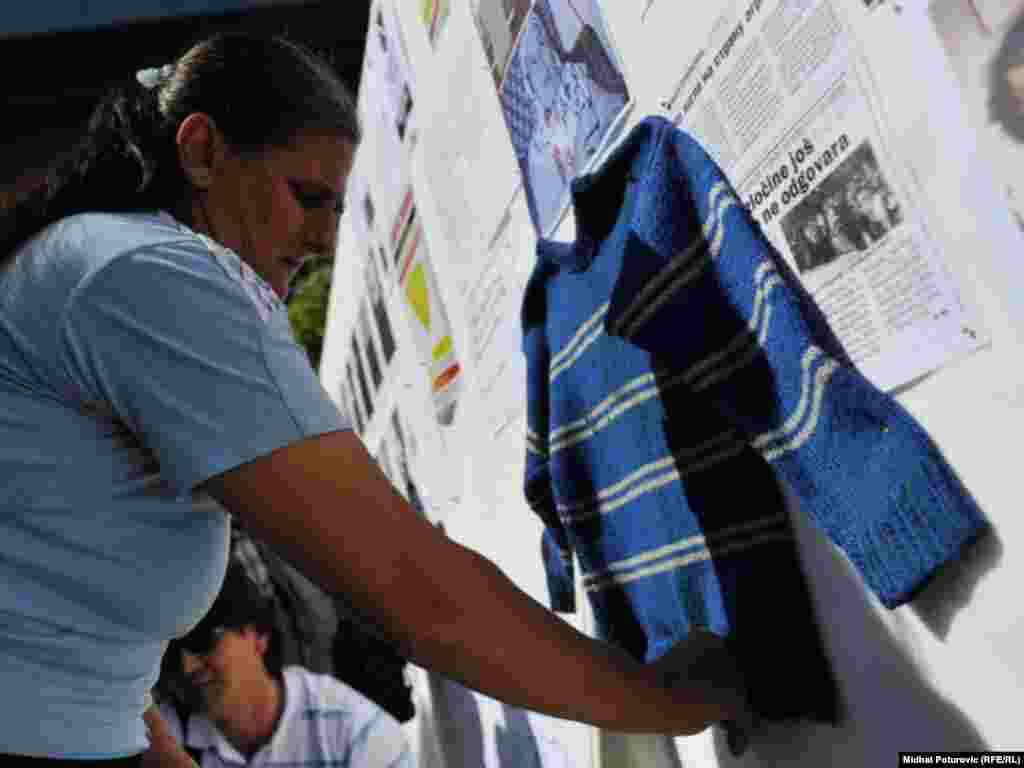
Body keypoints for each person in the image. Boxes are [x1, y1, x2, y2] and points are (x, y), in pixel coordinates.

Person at [0, 32, 747, 766]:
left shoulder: (98, 262)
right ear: (201, 153)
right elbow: (412, 588)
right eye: (306, 196)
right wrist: (669, 700)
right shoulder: (150, 275)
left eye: (336, 207)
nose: (324, 241)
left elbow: (79, 653)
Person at [156, 561, 413, 767]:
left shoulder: (352, 733)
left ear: (258, 635)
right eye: (169, 653)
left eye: (202, 641)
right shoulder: (161, 737)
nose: (186, 665)